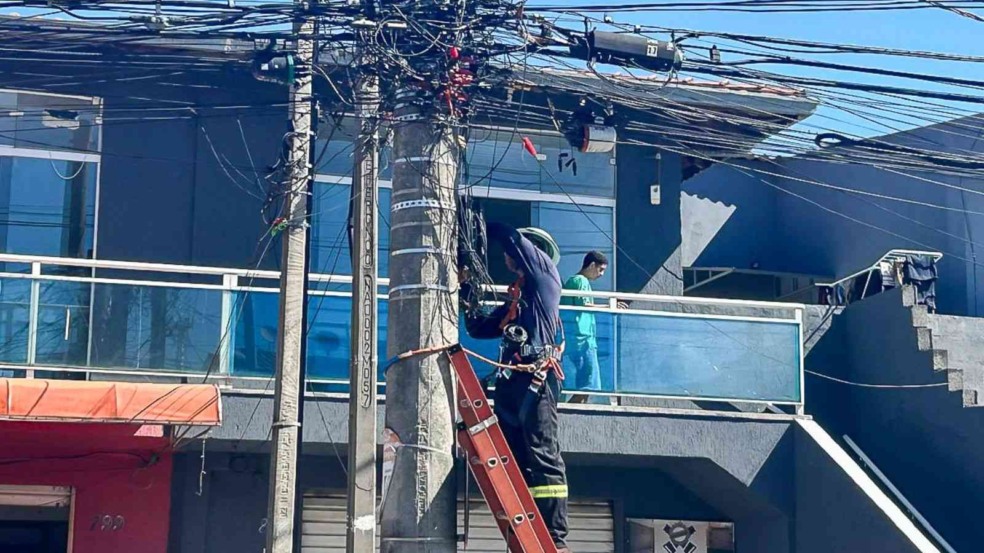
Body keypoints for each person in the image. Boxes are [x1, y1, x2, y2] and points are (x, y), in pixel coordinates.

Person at [460, 221, 570, 552]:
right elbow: (479, 329)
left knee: (541, 452)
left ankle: (554, 538)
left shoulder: (545, 277)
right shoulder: (519, 301)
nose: (509, 257)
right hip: (512, 383)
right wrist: (466, 289)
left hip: (536, 379)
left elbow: (508, 234)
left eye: (516, 252)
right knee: (514, 455)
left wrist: (475, 227)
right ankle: (528, 525)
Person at [562, 251, 608, 404]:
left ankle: (570, 412)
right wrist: (609, 306)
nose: (601, 274)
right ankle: (567, 413)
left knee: (586, 388)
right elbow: (585, 304)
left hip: (580, 340)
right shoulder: (580, 280)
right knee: (587, 387)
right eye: (600, 269)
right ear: (592, 265)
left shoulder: (577, 281)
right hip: (581, 341)